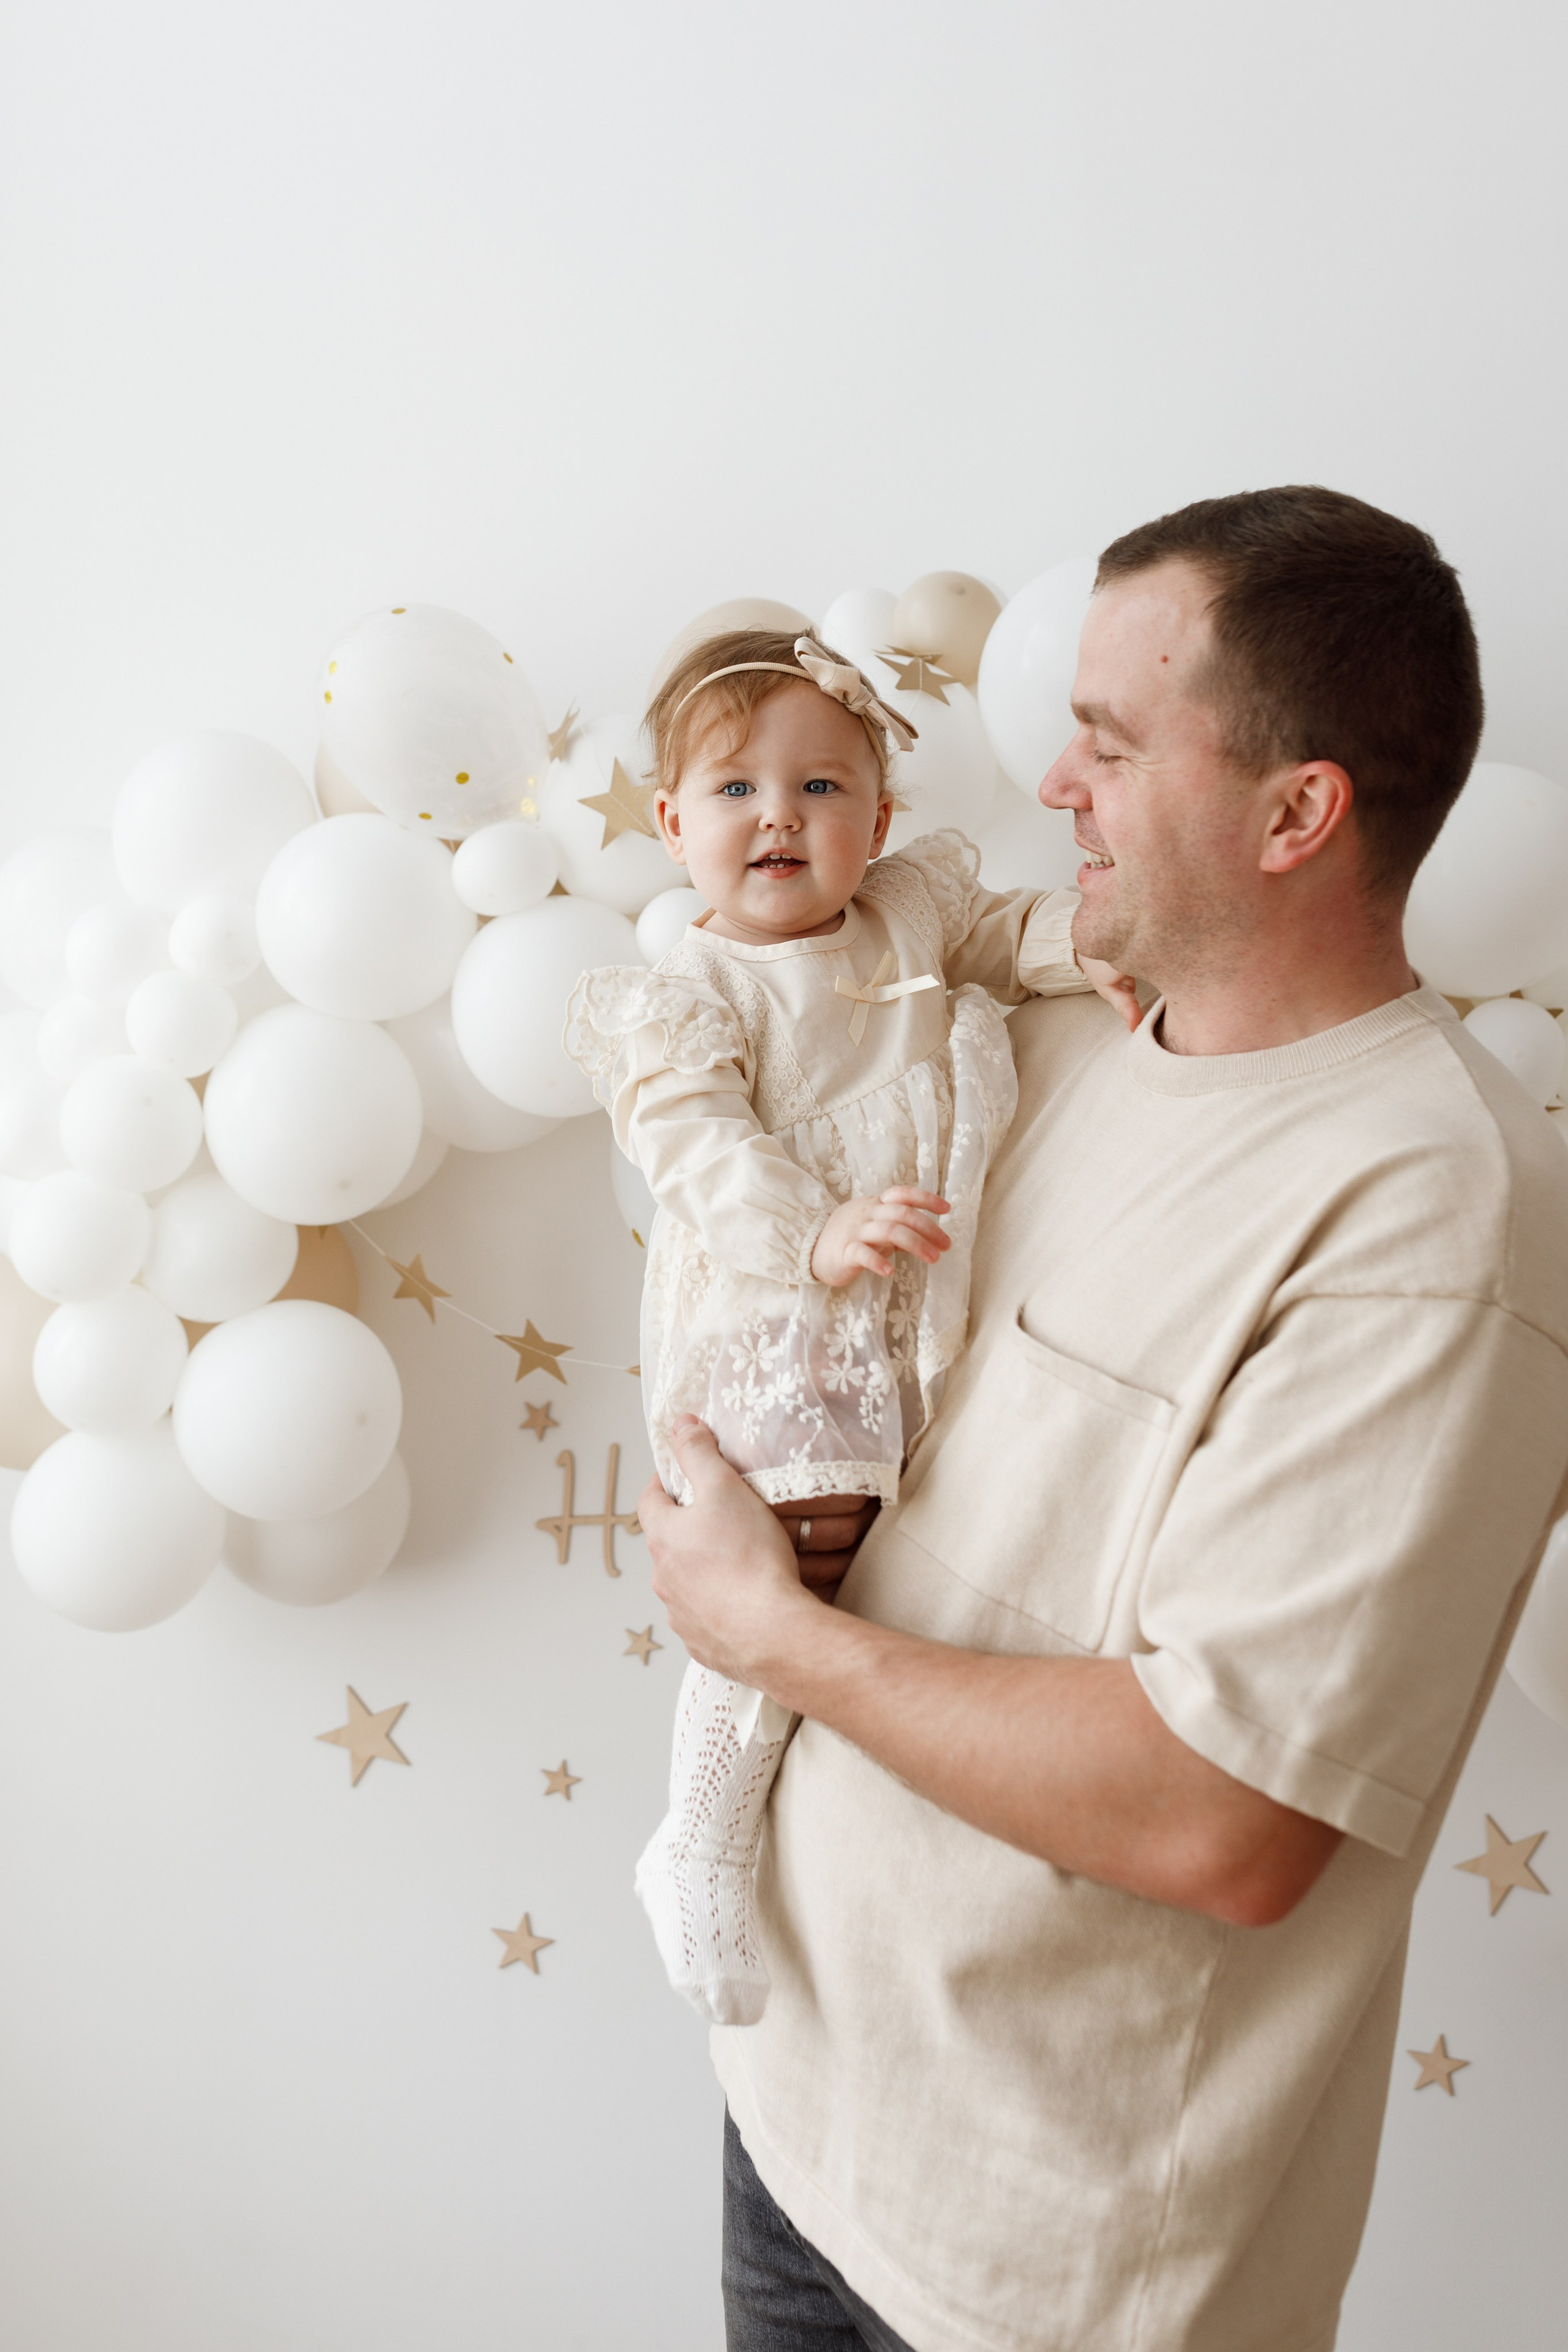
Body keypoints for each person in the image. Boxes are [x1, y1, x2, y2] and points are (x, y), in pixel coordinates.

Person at [639, 489, 1568, 2352]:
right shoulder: (1032, 1047)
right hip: (802, 2112)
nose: (1052, 778)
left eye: (1116, 741)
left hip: (1031, 2276)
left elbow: (1225, 1814)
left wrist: (777, 1639)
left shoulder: (1430, 1211)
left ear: (1298, 813)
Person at [565, 628, 1135, 2028]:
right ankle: (697, 1830)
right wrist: (808, 1237)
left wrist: (1104, 946)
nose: (780, 817)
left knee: (885, 1565)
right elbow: (692, 1147)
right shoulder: (689, 997)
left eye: (822, 790)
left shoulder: (907, 912)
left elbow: (1007, 935)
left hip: (907, 1314)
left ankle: (821, 1826)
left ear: (876, 823)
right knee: (792, 1559)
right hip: (778, 1318)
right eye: (735, 791)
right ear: (670, 824)